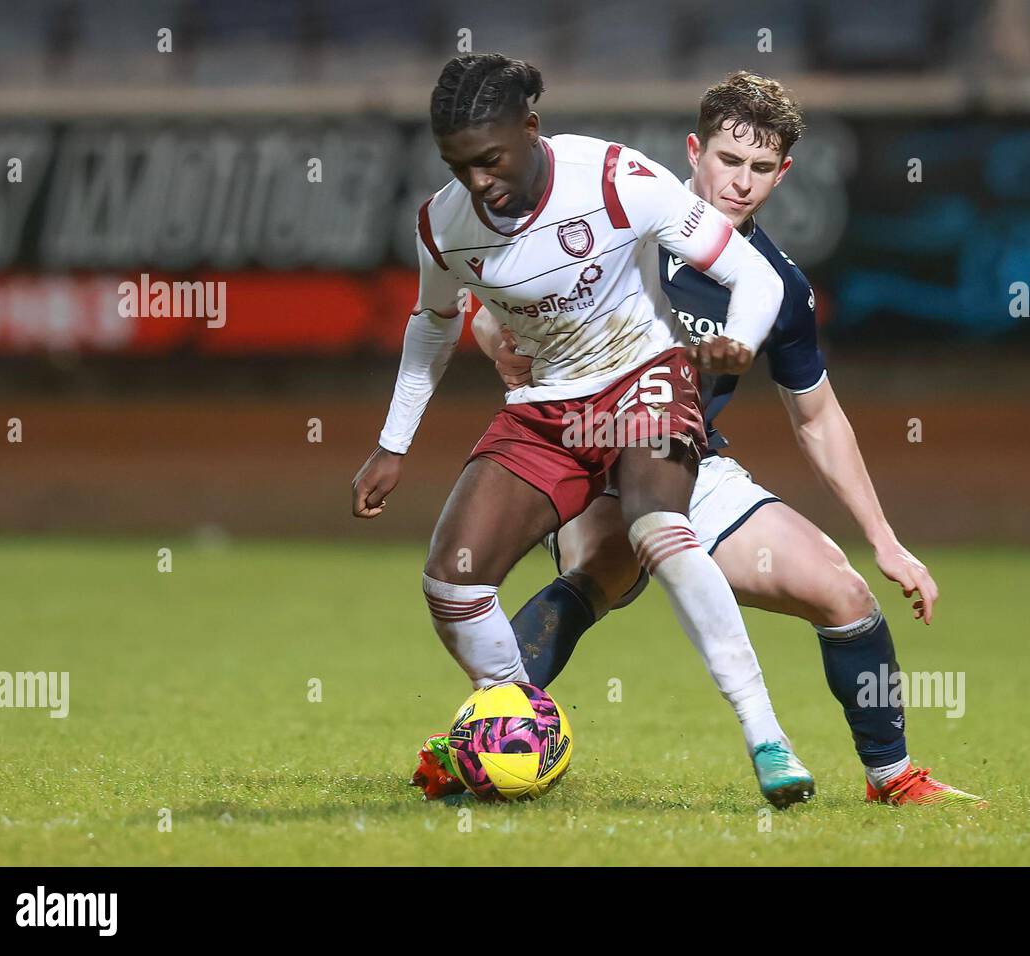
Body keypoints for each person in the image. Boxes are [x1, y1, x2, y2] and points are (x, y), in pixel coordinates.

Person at [446, 71, 985, 808]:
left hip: (689, 459)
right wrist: (488, 333)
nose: (741, 182)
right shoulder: (635, 215)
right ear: (694, 151)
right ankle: (469, 745)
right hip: (589, 446)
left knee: (845, 594)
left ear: (783, 174)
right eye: (728, 161)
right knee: (608, 559)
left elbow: (818, 418)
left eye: (761, 168)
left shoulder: (778, 285)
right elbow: (504, 286)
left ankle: (893, 777)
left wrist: (885, 539)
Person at [353, 54, 814, 807]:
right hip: (547, 407)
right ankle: (515, 722)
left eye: (491, 159)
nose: (478, 181)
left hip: (646, 378)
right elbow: (432, 325)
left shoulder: (616, 181)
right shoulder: (443, 224)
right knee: (450, 580)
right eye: (457, 165)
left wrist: (739, 336)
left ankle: (767, 736)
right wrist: (392, 443)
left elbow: (753, 277)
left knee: (659, 529)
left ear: (530, 130)